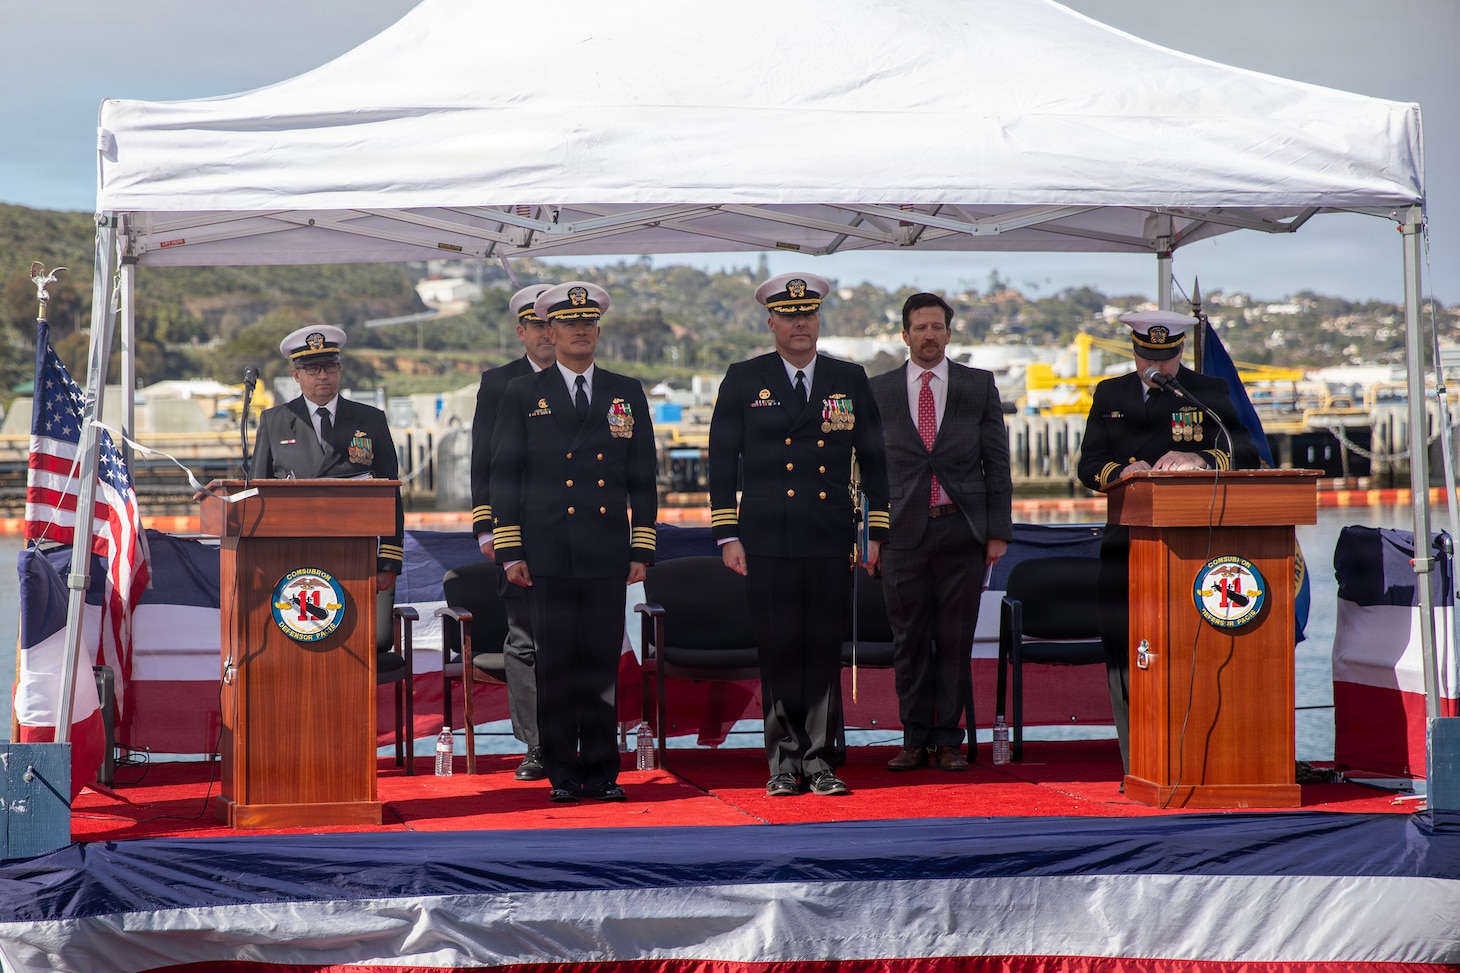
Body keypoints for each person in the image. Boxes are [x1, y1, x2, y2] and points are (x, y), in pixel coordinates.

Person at [708, 271, 890, 798]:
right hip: (764, 538)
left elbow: (875, 462)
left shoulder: (848, 378)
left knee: (821, 649)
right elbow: (721, 463)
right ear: (771, 322)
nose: (800, 323)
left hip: (829, 536)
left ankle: (821, 761)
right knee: (779, 649)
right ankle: (783, 763)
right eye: (789, 315)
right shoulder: (744, 379)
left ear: (818, 319)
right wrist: (727, 534)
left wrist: (874, 532)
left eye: (807, 314)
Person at [490, 281, 657, 803]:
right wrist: (511, 549)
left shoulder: (625, 390)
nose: (580, 330)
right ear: (550, 331)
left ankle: (604, 773)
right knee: (558, 665)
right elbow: (504, 474)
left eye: (588, 323)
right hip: (546, 552)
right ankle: (564, 773)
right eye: (568, 323)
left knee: (601, 666)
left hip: (605, 549)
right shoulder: (523, 393)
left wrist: (642, 547)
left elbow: (644, 476)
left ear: (598, 331)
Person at [1076, 309, 1260, 776]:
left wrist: (1198, 457)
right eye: (1147, 358)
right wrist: (1121, 473)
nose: (1158, 367)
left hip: (1191, 548)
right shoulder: (1110, 393)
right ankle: (1135, 762)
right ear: (1136, 352)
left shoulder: (1207, 391)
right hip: (1126, 543)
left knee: (1187, 653)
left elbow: (1247, 451)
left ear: (1178, 352)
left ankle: (1194, 758)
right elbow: (1088, 464)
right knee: (1124, 655)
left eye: (1167, 358)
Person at [869, 292, 1013, 772]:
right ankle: (913, 738)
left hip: (962, 531)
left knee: (955, 639)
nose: (929, 335)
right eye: (920, 327)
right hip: (900, 534)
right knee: (908, 641)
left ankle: (948, 739)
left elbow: (997, 462)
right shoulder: (879, 390)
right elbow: (866, 470)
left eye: (937, 327)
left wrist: (998, 533)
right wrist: (868, 533)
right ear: (904, 334)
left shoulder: (978, 385)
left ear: (949, 332)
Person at [469, 283, 554, 782]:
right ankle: (536, 745)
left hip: (577, 534)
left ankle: (577, 735)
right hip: (518, 532)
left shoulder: (589, 381)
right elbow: (484, 463)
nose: (547, 333)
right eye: (537, 324)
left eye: (553, 323)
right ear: (521, 330)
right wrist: (489, 529)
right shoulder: (499, 383)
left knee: (574, 640)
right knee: (523, 643)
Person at [251, 324, 404, 592]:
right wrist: (258, 560)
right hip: (290, 557)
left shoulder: (370, 419)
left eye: (329, 367)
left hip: (356, 554)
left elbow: (391, 493)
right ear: (296, 375)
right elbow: (256, 495)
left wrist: (388, 561)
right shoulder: (274, 421)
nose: (323, 376)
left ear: (339, 370)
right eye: (312, 368)